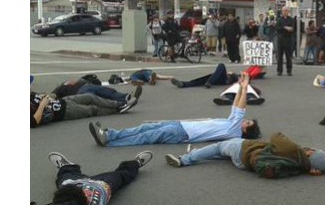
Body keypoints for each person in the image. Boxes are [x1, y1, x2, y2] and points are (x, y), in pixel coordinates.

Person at [88, 72, 260, 147]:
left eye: (248, 122)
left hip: (183, 134)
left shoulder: (234, 131)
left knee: (145, 137)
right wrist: (239, 86)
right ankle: (109, 135)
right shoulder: (231, 124)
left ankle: (110, 143)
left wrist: (245, 89)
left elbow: (240, 110)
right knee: (144, 128)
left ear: (246, 129)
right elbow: (236, 106)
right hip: (181, 126)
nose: (245, 120)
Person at [30, 150, 157, 205]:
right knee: (120, 175)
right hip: (94, 185)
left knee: (120, 176)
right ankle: (134, 164)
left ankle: (134, 164)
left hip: (98, 185)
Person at [165, 131, 325, 179]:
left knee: (220, 146)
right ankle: (196, 153)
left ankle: (185, 160)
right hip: (246, 164)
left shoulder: (294, 150)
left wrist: (297, 146)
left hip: (245, 150)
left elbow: (276, 136)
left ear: (311, 153)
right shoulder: (298, 168)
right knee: (224, 154)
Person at [31, 89, 139, 128]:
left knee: (90, 96)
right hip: (64, 112)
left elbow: (45, 95)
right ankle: (119, 109)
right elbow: (34, 121)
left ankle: (120, 104)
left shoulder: (30, 95)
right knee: (92, 110)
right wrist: (42, 105)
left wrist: (47, 97)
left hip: (64, 101)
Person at [50, 76, 141, 105]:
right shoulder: (59, 89)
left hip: (87, 86)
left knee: (105, 92)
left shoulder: (65, 84)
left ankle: (126, 97)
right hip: (81, 92)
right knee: (102, 96)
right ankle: (124, 100)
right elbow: (51, 96)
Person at [170, 62, 240, 89]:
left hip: (226, 79)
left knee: (221, 65)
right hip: (217, 78)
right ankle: (183, 84)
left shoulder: (237, 76)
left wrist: (231, 74)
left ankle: (209, 82)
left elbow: (237, 78)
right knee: (200, 81)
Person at [275, 6, 295, 76]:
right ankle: (279, 70)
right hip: (280, 40)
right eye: (283, 11)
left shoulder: (291, 19)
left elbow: (292, 29)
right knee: (279, 56)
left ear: (288, 12)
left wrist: (286, 28)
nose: (284, 12)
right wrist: (285, 27)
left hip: (288, 40)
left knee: (288, 56)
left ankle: (289, 70)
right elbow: (277, 28)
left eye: (286, 10)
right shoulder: (279, 19)